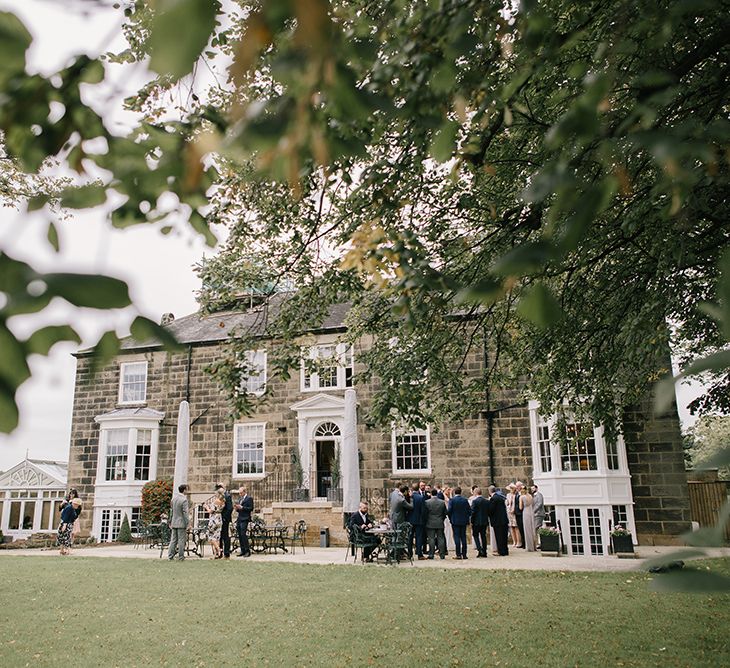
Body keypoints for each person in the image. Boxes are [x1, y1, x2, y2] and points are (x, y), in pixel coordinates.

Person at [447, 486, 471, 559]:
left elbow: (449, 511)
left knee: (457, 537)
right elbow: (469, 511)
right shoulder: (465, 500)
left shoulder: (452, 500)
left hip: (455, 521)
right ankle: (464, 554)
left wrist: (451, 518)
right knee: (463, 537)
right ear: (461, 492)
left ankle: (458, 554)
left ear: (454, 492)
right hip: (463, 521)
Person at [168, 484, 190, 561]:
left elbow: (171, 512)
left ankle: (170, 555)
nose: (187, 491)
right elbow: (185, 513)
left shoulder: (173, 499)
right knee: (181, 540)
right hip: (181, 522)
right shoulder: (184, 500)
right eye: (186, 489)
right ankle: (181, 556)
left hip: (174, 521)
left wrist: (170, 521)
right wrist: (188, 523)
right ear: (184, 490)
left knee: (173, 540)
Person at [424, 487, 447, 559]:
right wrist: (441, 519)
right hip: (439, 522)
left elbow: (425, 513)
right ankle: (442, 554)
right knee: (441, 538)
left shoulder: (427, 502)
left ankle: (431, 554)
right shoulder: (442, 502)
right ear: (437, 494)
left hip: (430, 522)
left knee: (431, 539)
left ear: (431, 494)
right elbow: (445, 513)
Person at [406, 482, 426, 560]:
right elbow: (423, 510)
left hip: (410, 520)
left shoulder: (409, 497)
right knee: (419, 537)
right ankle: (419, 554)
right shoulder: (420, 498)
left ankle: (409, 554)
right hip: (419, 520)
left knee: (410, 538)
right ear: (418, 488)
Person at [487, 485, 509, 556]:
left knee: (499, 536)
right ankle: (505, 550)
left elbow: (491, 510)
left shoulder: (493, 499)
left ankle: (501, 551)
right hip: (504, 519)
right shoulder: (500, 497)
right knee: (504, 536)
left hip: (498, 520)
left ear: (489, 491)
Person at [470, 487, 490, 558]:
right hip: (484, 521)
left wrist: (471, 521)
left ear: (475, 493)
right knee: (483, 536)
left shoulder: (475, 501)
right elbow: (488, 511)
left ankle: (479, 550)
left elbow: (473, 512)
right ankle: (484, 551)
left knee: (475, 535)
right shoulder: (486, 501)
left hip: (476, 522)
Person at [234, 487, 254, 557]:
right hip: (239, 518)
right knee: (239, 534)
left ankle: (247, 551)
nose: (240, 494)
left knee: (243, 534)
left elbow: (251, 508)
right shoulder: (240, 499)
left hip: (245, 518)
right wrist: (237, 508)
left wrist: (242, 507)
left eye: (241, 492)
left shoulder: (249, 498)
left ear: (244, 492)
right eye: (239, 493)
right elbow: (239, 510)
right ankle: (242, 550)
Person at [216, 483, 233, 559]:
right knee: (220, 536)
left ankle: (226, 553)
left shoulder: (227, 496)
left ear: (223, 487)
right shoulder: (219, 496)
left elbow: (230, 508)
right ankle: (220, 552)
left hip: (224, 519)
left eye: (219, 487)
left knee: (225, 536)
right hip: (219, 519)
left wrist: (225, 518)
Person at [206, 494, 224, 559]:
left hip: (213, 520)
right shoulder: (223, 502)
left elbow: (210, 511)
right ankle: (216, 554)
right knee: (217, 537)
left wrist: (206, 507)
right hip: (219, 519)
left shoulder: (215, 502)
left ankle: (218, 549)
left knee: (210, 536)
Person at [506, 483, 521, 548]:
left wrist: (513, 510)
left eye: (512, 489)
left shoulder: (516, 495)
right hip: (509, 512)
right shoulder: (508, 495)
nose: (511, 490)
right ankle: (514, 541)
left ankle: (518, 541)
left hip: (514, 512)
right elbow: (507, 503)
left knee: (516, 527)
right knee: (511, 527)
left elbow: (516, 504)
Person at [442, 486, 455, 554]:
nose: (449, 491)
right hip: (445, 514)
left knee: (449, 529)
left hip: (449, 515)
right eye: (448, 490)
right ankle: (447, 544)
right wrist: (450, 493)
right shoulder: (444, 496)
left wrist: (450, 494)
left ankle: (450, 544)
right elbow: (449, 501)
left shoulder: (449, 496)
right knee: (446, 529)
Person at [514, 480, 525, 548]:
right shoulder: (517, 493)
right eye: (516, 486)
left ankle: (524, 543)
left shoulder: (522, 493)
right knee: (520, 528)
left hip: (521, 513)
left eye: (518, 486)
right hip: (517, 513)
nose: (517, 487)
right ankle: (522, 542)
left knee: (523, 528)